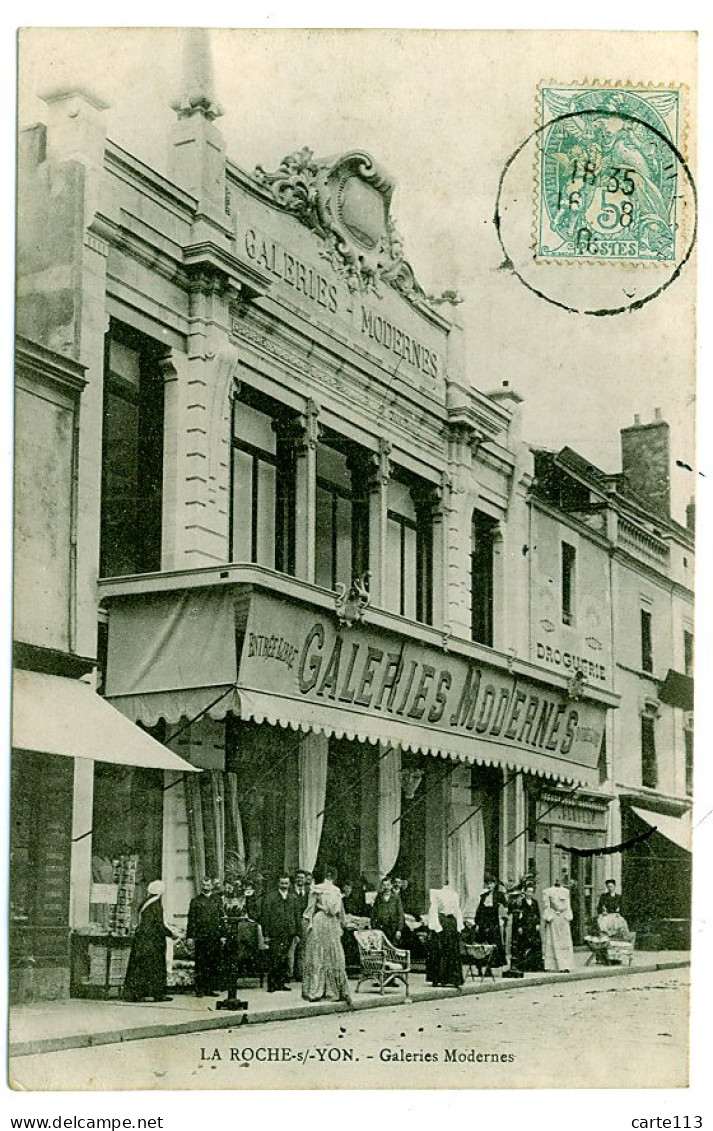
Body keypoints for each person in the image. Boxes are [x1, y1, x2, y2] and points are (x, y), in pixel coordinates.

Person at [301, 867, 352, 1005]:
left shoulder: (319, 889)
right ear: (334, 877)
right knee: (331, 954)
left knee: (319, 954)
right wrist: (342, 924)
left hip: (321, 920)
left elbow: (309, 911)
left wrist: (308, 925)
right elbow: (341, 913)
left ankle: (317, 990)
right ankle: (331, 990)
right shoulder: (335, 891)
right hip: (330, 922)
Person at [123, 880, 177, 1003]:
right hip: (153, 941)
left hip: (141, 939)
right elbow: (159, 925)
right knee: (156, 967)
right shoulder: (157, 905)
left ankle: (135, 993)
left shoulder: (145, 903)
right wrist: (171, 934)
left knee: (139, 967)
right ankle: (157, 993)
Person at [260, 874, 301, 993]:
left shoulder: (293, 897)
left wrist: (298, 933)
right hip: (275, 932)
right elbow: (265, 916)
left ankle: (281, 983)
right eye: (282, 883)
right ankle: (272, 984)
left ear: (289, 884)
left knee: (284, 958)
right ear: (278, 883)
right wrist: (266, 934)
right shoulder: (271, 897)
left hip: (289, 932)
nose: (284, 885)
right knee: (274, 958)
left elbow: (297, 916)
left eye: (286, 883)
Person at [186, 878, 223, 997]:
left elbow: (221, 918)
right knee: (201, 963)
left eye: (208, 884)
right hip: (201, 936)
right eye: (203, 884)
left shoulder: (217, 900)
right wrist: (190, 936)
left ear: (212, 886)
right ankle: (200, 989)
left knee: (212, 963)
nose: (205, 886)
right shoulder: (195, 901)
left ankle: (209, 988)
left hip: (214, 935)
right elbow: (191, 920)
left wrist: (223, 935)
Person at [426, 885, 464, 988]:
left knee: (452, 950)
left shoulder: (454, 895)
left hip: (451, 923)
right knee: (440, 950)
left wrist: (459, 926)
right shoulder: (437, 894)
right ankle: (438, 978)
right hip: (442, 922)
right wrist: (437, 927)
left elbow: (457, 910)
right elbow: (433, 910)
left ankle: (452, 978)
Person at [509, 881, 544, 975]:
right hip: (525, 925)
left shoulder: (535, 902)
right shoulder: (522, 902)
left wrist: (538, 924)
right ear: (525, 892)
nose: (529, 893)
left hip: (533, 925)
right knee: (523, 944)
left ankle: (534, 965)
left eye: (531, 892)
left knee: (535, 945)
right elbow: (519, 915)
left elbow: (538, 914)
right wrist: (519, 926)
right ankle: (523, 965)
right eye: (528, 892)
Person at [473, 874, 508, 969]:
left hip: (494, 922)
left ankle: (491, 965)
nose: (489, 885)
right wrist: (477, 923)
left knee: (493, 943)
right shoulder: (483, 896)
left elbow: (505, 908)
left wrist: (502, 917)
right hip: (483, 922)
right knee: (482, 944)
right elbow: (479, 910)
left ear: (495, 884)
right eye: (488, 883)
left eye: (491, 883)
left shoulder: (499, 895)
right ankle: (480, 966)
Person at [541, 879, 575, 972]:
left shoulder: (566, 891)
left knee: (565, 942)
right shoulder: (547, 892)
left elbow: (568, 905)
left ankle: (566, 965)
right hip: (554, 918)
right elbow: (546, 906)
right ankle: (553, 965)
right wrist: (551, 915)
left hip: (563, 919)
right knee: (553, 940)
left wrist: (567, 915)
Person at [370, 876, 405, 945]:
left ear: (391, 885)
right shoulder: (378, 897)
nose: (386, 887)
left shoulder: (396, 898)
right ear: (382, 886)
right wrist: (373, 926)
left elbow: (401, 914)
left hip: (393, 928)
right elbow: (373, 913)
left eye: (388, 885)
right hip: (380, 928)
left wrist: (399, 930)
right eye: (384, 885)